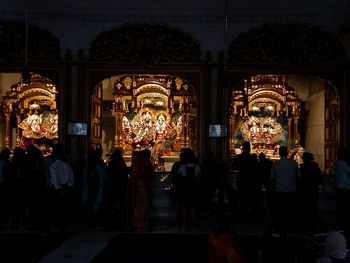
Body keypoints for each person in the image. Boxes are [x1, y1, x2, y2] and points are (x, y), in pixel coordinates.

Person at [270, 145, 301, 235]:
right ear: (288, 153)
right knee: (290, 210)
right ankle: (291, 227)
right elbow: (299, 176)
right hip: (291, 189)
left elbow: (271, 177)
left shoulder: (276, 164)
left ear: (279, 154)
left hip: (279, 190)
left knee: (280, 210)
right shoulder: (293, 163)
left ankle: (280, 227)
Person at [231, 141, 259, 221]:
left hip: (241, 180)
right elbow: (257, 168)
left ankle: (242, 215)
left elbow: (233, 168)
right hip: (251, 180)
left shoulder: (238, 158)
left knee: (242, 198)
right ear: (249, 148)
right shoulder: (252, 158)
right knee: (250, 198)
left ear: (242, 148)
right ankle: (250, 215)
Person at [177, 148, 201, 230]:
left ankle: (184, 221)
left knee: (184, 206)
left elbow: (178, 175)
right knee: (193, 206)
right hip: (194, 188)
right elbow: (199, 176)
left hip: (184, 188)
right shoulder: (197, 167)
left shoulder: (182, 167)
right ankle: (194, 222)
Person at [129, 150, 153, 231]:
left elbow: (132, 174)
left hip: (137, 187)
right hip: (143, 187)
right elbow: (147, 174)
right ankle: (142, 224)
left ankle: (138, 224)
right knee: (144, 205)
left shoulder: (136, 164)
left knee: (138, 206)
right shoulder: (145, 164)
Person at [300, 152, 323, 230]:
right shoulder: (314, 165)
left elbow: (301, 176)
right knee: (313, 204)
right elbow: (319, 175)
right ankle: (313, 219)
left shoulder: (303, 166)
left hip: (307, 187)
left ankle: (308, 220)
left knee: (307, 204)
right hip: (313, 187)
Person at [105, 149, 128, 229]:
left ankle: (112, 223)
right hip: (120, 185)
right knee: (119, 204)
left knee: (113, 204)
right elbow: (124, 173)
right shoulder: (121, 163)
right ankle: (119, 223)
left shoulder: (112, 163)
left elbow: (109, 174)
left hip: (113, 186)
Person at [333, 148, 350, 238]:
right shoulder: (343, 164)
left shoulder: (336, 163)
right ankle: (344, 222)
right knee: (345, 205)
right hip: (345, 186)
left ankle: (339, 222)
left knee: (339, 205)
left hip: (338, 185)